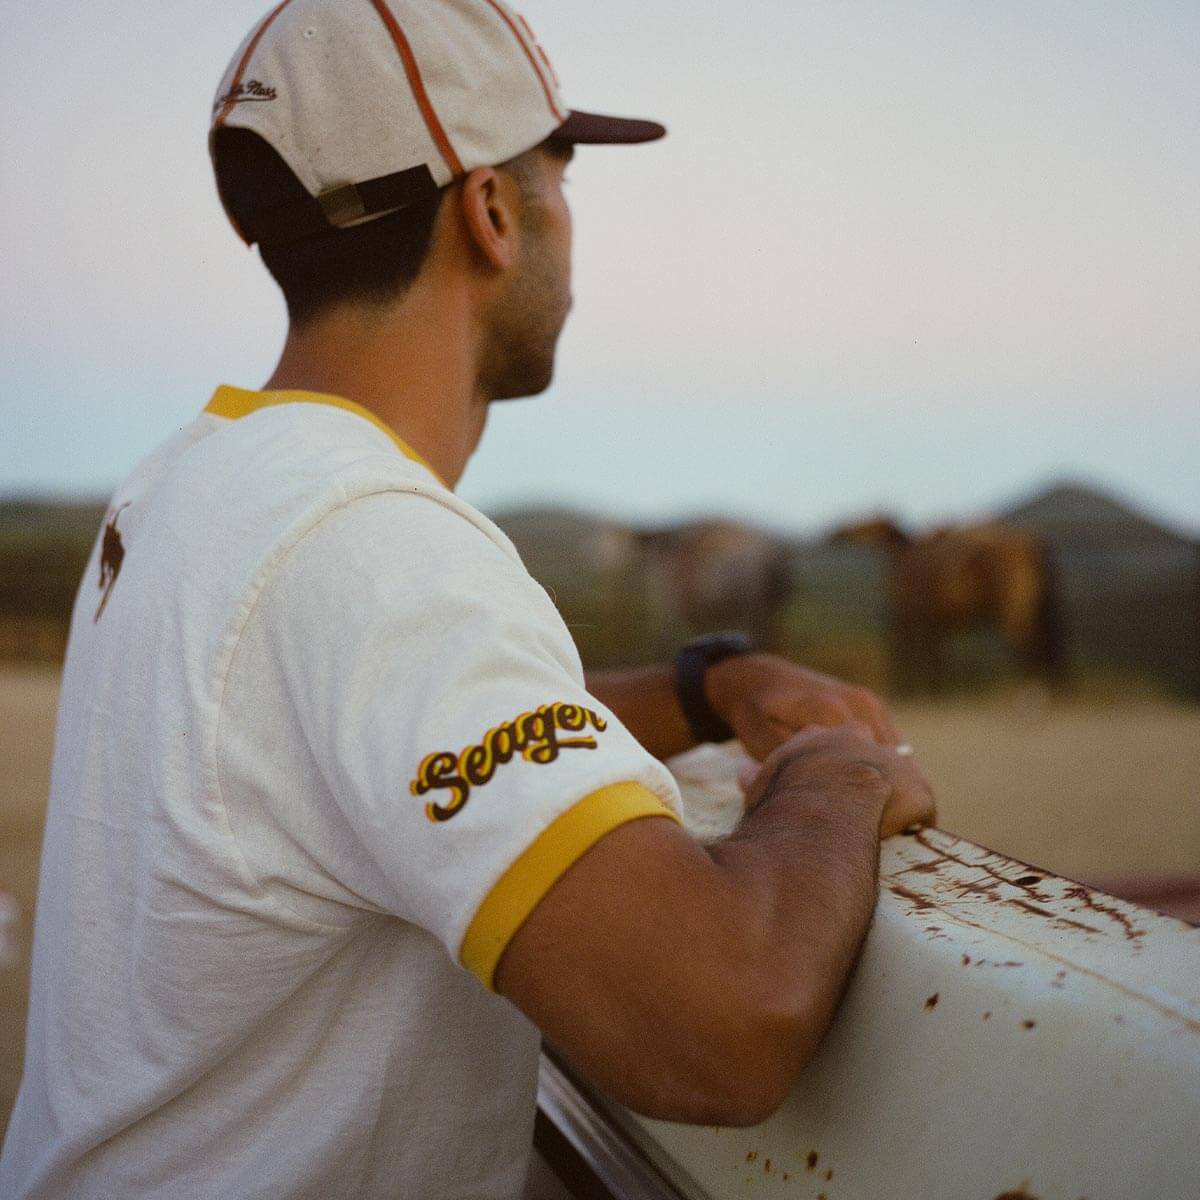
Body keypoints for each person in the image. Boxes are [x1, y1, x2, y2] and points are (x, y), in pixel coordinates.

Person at [0, 2, 935, 1197]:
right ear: (492, 212)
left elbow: (361, 732)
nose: (571, 222)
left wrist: (711, 687)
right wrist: (836, 771)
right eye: (561, 174)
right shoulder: (374, 548)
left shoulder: (195, 481)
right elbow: (724, 1021)